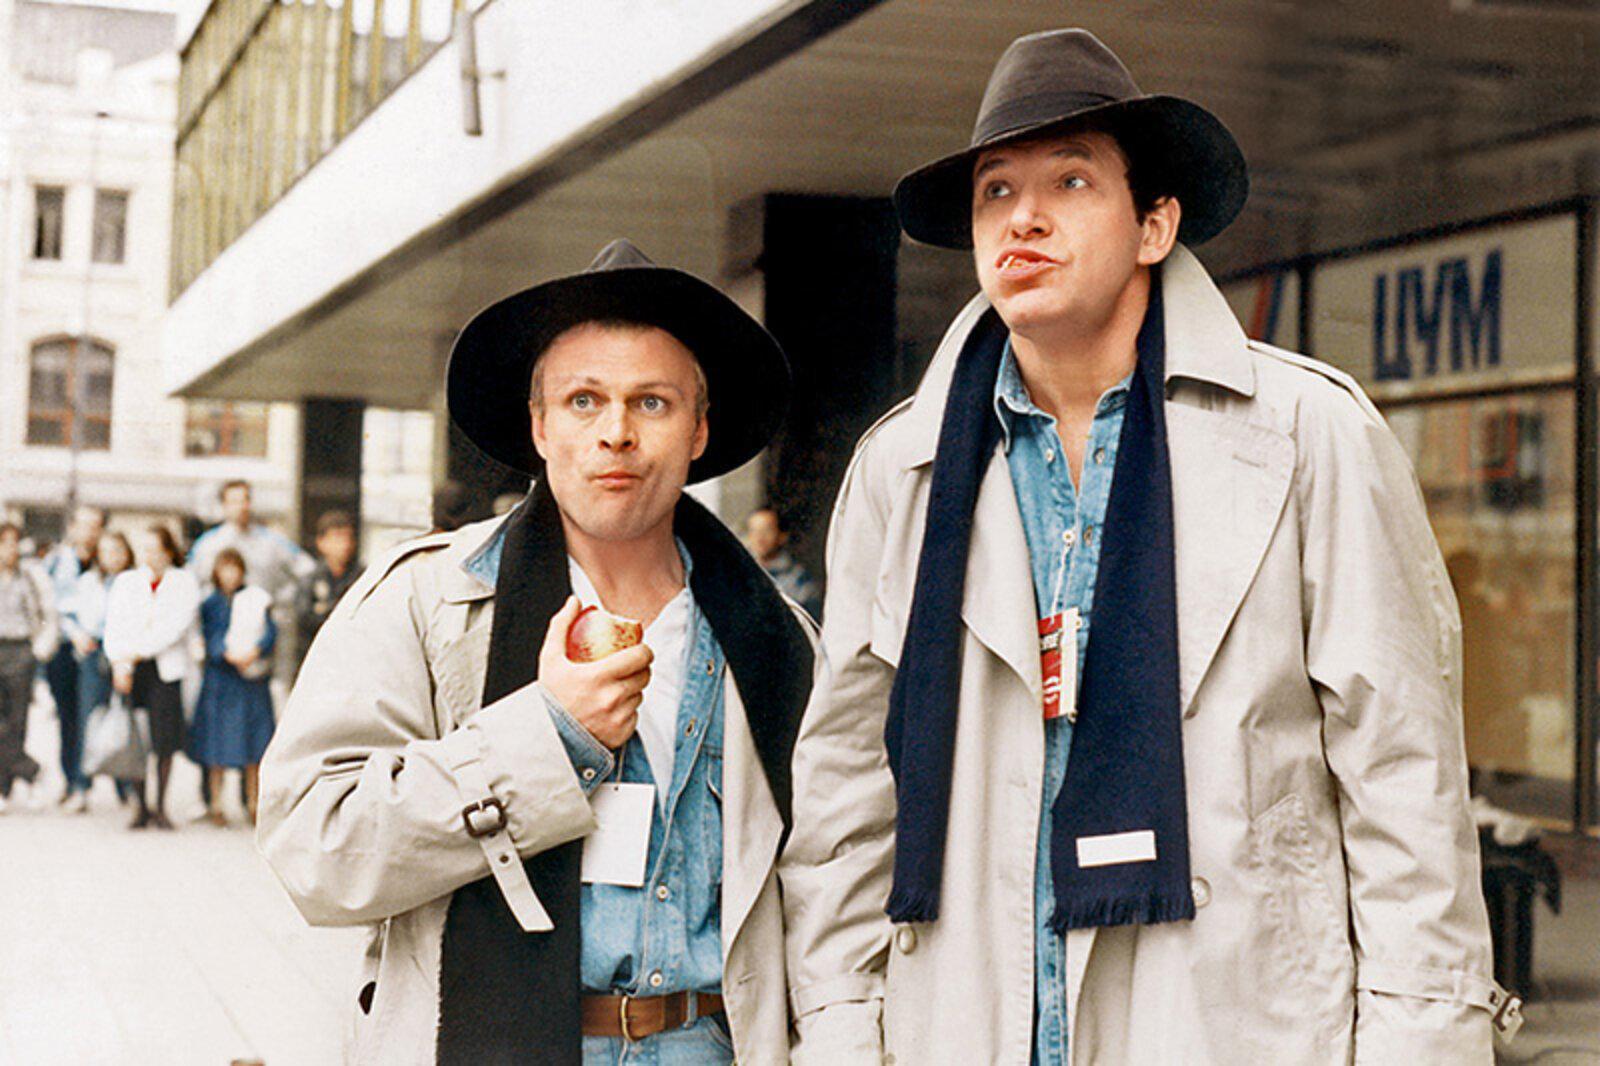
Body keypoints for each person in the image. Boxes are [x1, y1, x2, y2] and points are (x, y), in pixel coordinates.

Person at [780, 29, 1509, 1065]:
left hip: (1232, 1025)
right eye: (996, 191)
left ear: (1154, 224)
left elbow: (1404, 783)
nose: (1022, 217)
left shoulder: (1308, 434)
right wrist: (843, 1039)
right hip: (965, 1024)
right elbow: (847, 792)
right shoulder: (906, 467)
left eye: (1070, 181)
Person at [259, 239, 814, 1065]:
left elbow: (833, 882)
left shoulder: (778, 637)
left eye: (652, 402)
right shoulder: (427, 602)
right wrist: (545, 740)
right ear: (540, 425)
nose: (616, 433)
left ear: (699, 429)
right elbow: (315, 848)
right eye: (584, 401)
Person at [105, 524, 200, 830]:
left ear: (169, 552)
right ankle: (140, 805)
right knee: (135, 737)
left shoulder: (183, 582)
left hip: (165, 667)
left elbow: (175, 627)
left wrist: (139, 651)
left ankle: (161, 805)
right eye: (146, 550)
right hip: (133, 667)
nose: (151, 556)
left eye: (157, 550)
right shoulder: (128, 582)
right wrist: (121, 664)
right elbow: (115, 625)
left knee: (164, 739)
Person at [190, 548, 277, 826]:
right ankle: (216, 803)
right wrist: (225, 654)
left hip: (250, 680)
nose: (230, 575)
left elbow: (270, 631)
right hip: (221, 680)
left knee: (255, 745)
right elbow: (207, 637)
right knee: (217, 747)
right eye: (224, 568)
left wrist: (255, 651)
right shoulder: (210, 603)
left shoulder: (255, 599)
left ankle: (253, 802)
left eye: (234, 568)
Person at [61, 529, 137, 809]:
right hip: (94, 652)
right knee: (88, 718)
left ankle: (127, 785)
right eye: (105, 551)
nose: (111, 557)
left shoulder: (134, 582)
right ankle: (81, 786)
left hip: (125, 655)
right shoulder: (88, 582)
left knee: (125, 718)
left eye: (117, 551)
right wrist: (78, 635)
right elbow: (67, 614)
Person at [41, 505, 105, 807]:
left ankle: (84, 781)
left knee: (90, 716)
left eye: (95, 525)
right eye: (84, 524)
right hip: (65, 648)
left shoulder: (106, 561)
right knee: (67, 717)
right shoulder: (56, 561)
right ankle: (71, 781)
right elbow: (48, 604)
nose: (90, 531)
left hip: (95, 648)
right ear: (72, 527)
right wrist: (73, 632)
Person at [0, 522, 56, 813]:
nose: (8, 549)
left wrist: (40, 649)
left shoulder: (30, 576)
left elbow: (48, 614)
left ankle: (4, 788)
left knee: (17, 721)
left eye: (13, 543)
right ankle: (31, 770)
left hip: (20, 649)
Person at [294, 510, 365, 668]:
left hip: (352, 660)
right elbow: (305, 618)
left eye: (348, 538)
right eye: (337, 538)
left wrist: (326, 609)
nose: (345, 544)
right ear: (321, 542)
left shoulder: (362, 579)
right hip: (318, 659)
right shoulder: (310, 580)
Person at [743, 507, 821, 620]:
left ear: (782, 536)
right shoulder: (739, 571)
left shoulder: (799, 579)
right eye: (754, 531)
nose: (759, 538)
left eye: (767, 531)